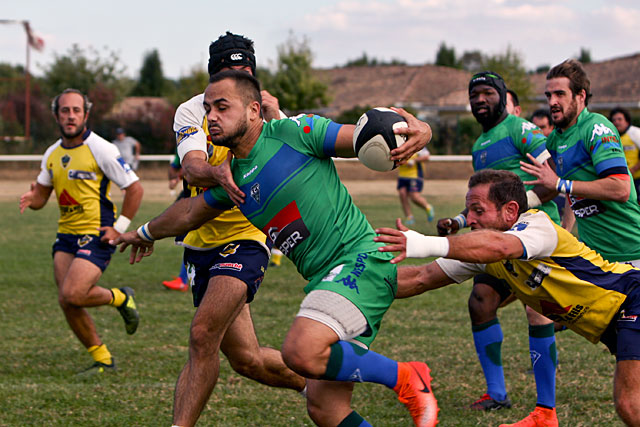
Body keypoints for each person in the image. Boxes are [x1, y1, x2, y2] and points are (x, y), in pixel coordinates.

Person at [113, 70, 438, 427]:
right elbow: (190, 211)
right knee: (324, 408)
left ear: (254, 110)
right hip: (326, 280)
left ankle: (407, 376)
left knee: (300, 350)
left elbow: (363, 136)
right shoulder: (233, 176)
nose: (212, 117)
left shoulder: (294, 132)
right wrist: (144, 232)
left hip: (358, 260)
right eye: (208, 109)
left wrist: (421, 129)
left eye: (223, 107)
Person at [375, 168, 640, 427]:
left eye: (479, 211)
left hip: (631, 300)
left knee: (629, 404)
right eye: (469, 212)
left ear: (511, 211)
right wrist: (356, 286)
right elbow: (421, 278)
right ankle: (544, 416)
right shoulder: (484, 254)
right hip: (613, 324)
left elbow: (500, 245)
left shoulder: (537, 227)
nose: (471, 220)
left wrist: (423, 243)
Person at [153, 32, 308, 427]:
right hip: (200, 242)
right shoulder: (191, 112)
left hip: (246, 239)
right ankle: (315, 384)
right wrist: (216, 174)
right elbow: (191, 167)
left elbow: (298, 163)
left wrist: (277, 116)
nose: (238, 76)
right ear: (212, 74)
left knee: (203, 334)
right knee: (248, 360)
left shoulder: (264, 112)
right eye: (228, 69)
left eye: (245, 70)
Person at [436, 72, 560, 420]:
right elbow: (483, 202)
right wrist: (458, 223)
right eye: (474, 94)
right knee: (481, 302)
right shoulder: (480, 146)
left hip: (532, 236)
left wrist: (517, 209)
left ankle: (545, 406)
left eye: (488, 93)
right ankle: (497, 393)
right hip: (497, 237)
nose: (480, 100)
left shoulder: (523, 130)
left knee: (538, 309)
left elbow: (549, 181)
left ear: (503, 96)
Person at [19, 88, 144, 374]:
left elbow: (135, 188)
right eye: (65, 110)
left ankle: (121, 297)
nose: (71, 115)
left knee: (74, 293)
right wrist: (32, 198)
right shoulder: (52, 154)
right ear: (56, 115)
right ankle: (102, 359)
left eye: (76, 110)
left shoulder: (102, 149)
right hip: (65, 236)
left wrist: (119, 228)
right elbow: (41, 197)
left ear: (86, 114)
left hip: (97, 234)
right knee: (67, 300)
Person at [521, 59, 640, 268]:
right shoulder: (556, 139)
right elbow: (573, 187)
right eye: (549, 95)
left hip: (630, 252)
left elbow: (621, 189)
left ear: (581, 96)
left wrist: (559, 184)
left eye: (560, 94)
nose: (552, 102)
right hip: (595, 256)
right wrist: (567, 230)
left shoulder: (597, 128)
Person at [162, 152, 190, 292]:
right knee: (190, 236)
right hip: (191, 193)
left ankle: (183, 280)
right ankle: (183, 278)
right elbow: (176, 165)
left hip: (203, 195)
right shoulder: (184, 140)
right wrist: (175, 178)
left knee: (192, 237)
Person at [531, 109, 565, 219]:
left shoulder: (560, 148)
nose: (538, 132)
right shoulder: (528, 150)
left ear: (551, 128)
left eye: (542, 127)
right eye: (535, 128)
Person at [396, 147, 434, 225]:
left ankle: (427, 207)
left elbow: (426, 156)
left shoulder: (417, 144)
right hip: (402, 175)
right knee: (402, 194)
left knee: (414, 197)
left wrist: (414, 160)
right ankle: (409, 217)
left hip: (415, 176)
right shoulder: (398, 144)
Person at [610, 107, 640, 197]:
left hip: (637, 178)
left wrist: (634, 169)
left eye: (619, 119)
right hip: (622, 180)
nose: (616, 122)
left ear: (627, 121)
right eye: (614, 120)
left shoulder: (635, 133)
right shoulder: (611, 137)